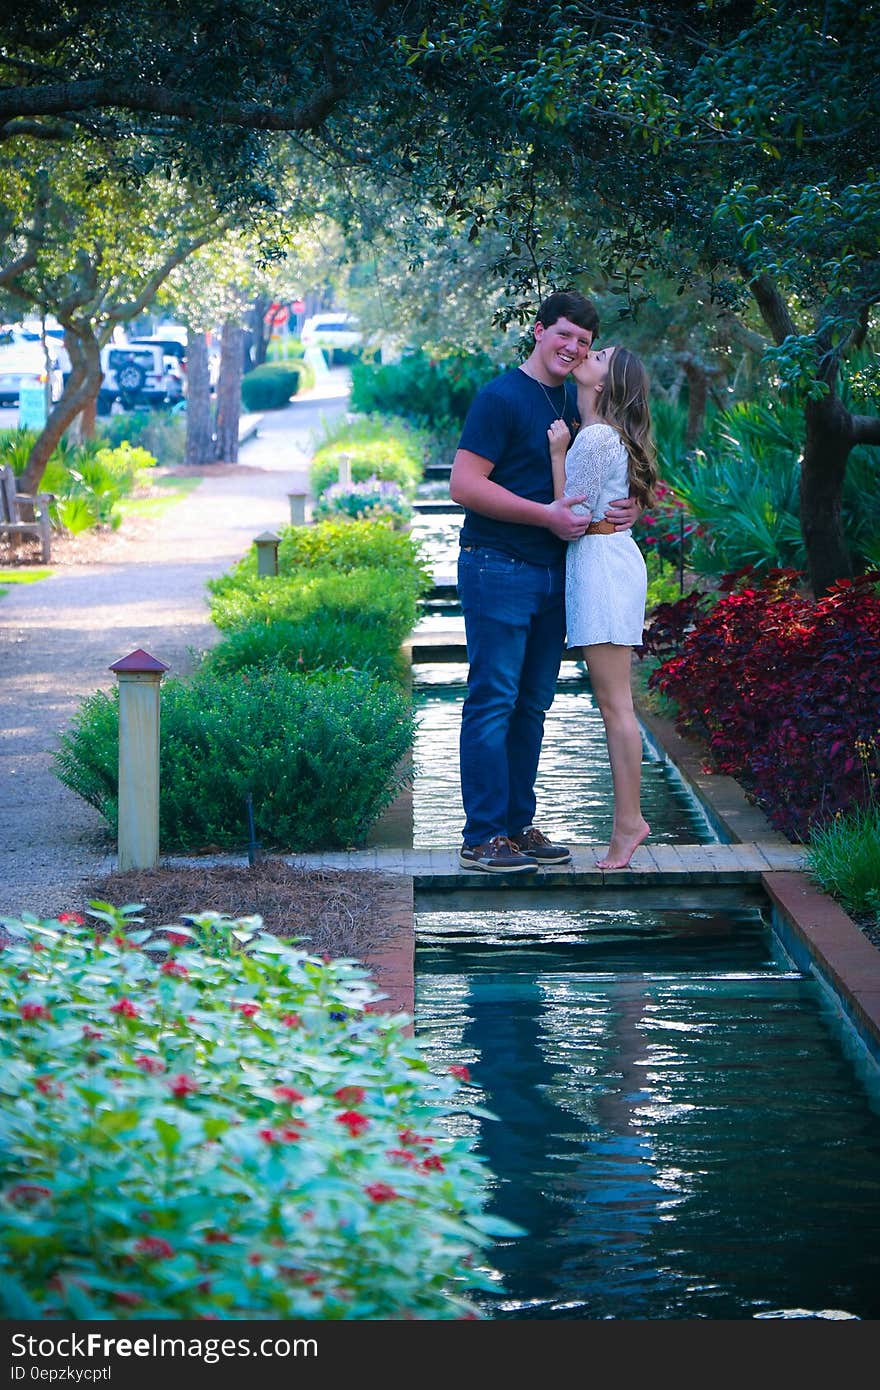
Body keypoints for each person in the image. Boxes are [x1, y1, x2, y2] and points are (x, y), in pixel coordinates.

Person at [449, 291, 641, 873]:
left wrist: (627, 507)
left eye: (584, 341)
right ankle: (482, 835)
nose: (573, 348)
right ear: (537, 332)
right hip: (498, 564)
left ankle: (515, 825)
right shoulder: (501, 396)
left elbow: (608, 465)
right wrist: (547, 515)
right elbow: (464, 484)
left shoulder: (577, 401)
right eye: (564, 335)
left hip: (557, 573)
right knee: (494, 699)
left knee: (532, 704)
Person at [548, 344, 657, 869]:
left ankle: (629, 823)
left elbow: (568, 512)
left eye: (600, 355)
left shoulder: (593, 437)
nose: (589, 354)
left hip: (602, 567)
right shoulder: (601, 435)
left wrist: (555, 456)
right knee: (616, 704)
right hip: (608, 560)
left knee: (616, 706)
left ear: (604, 383)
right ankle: (628, 821)